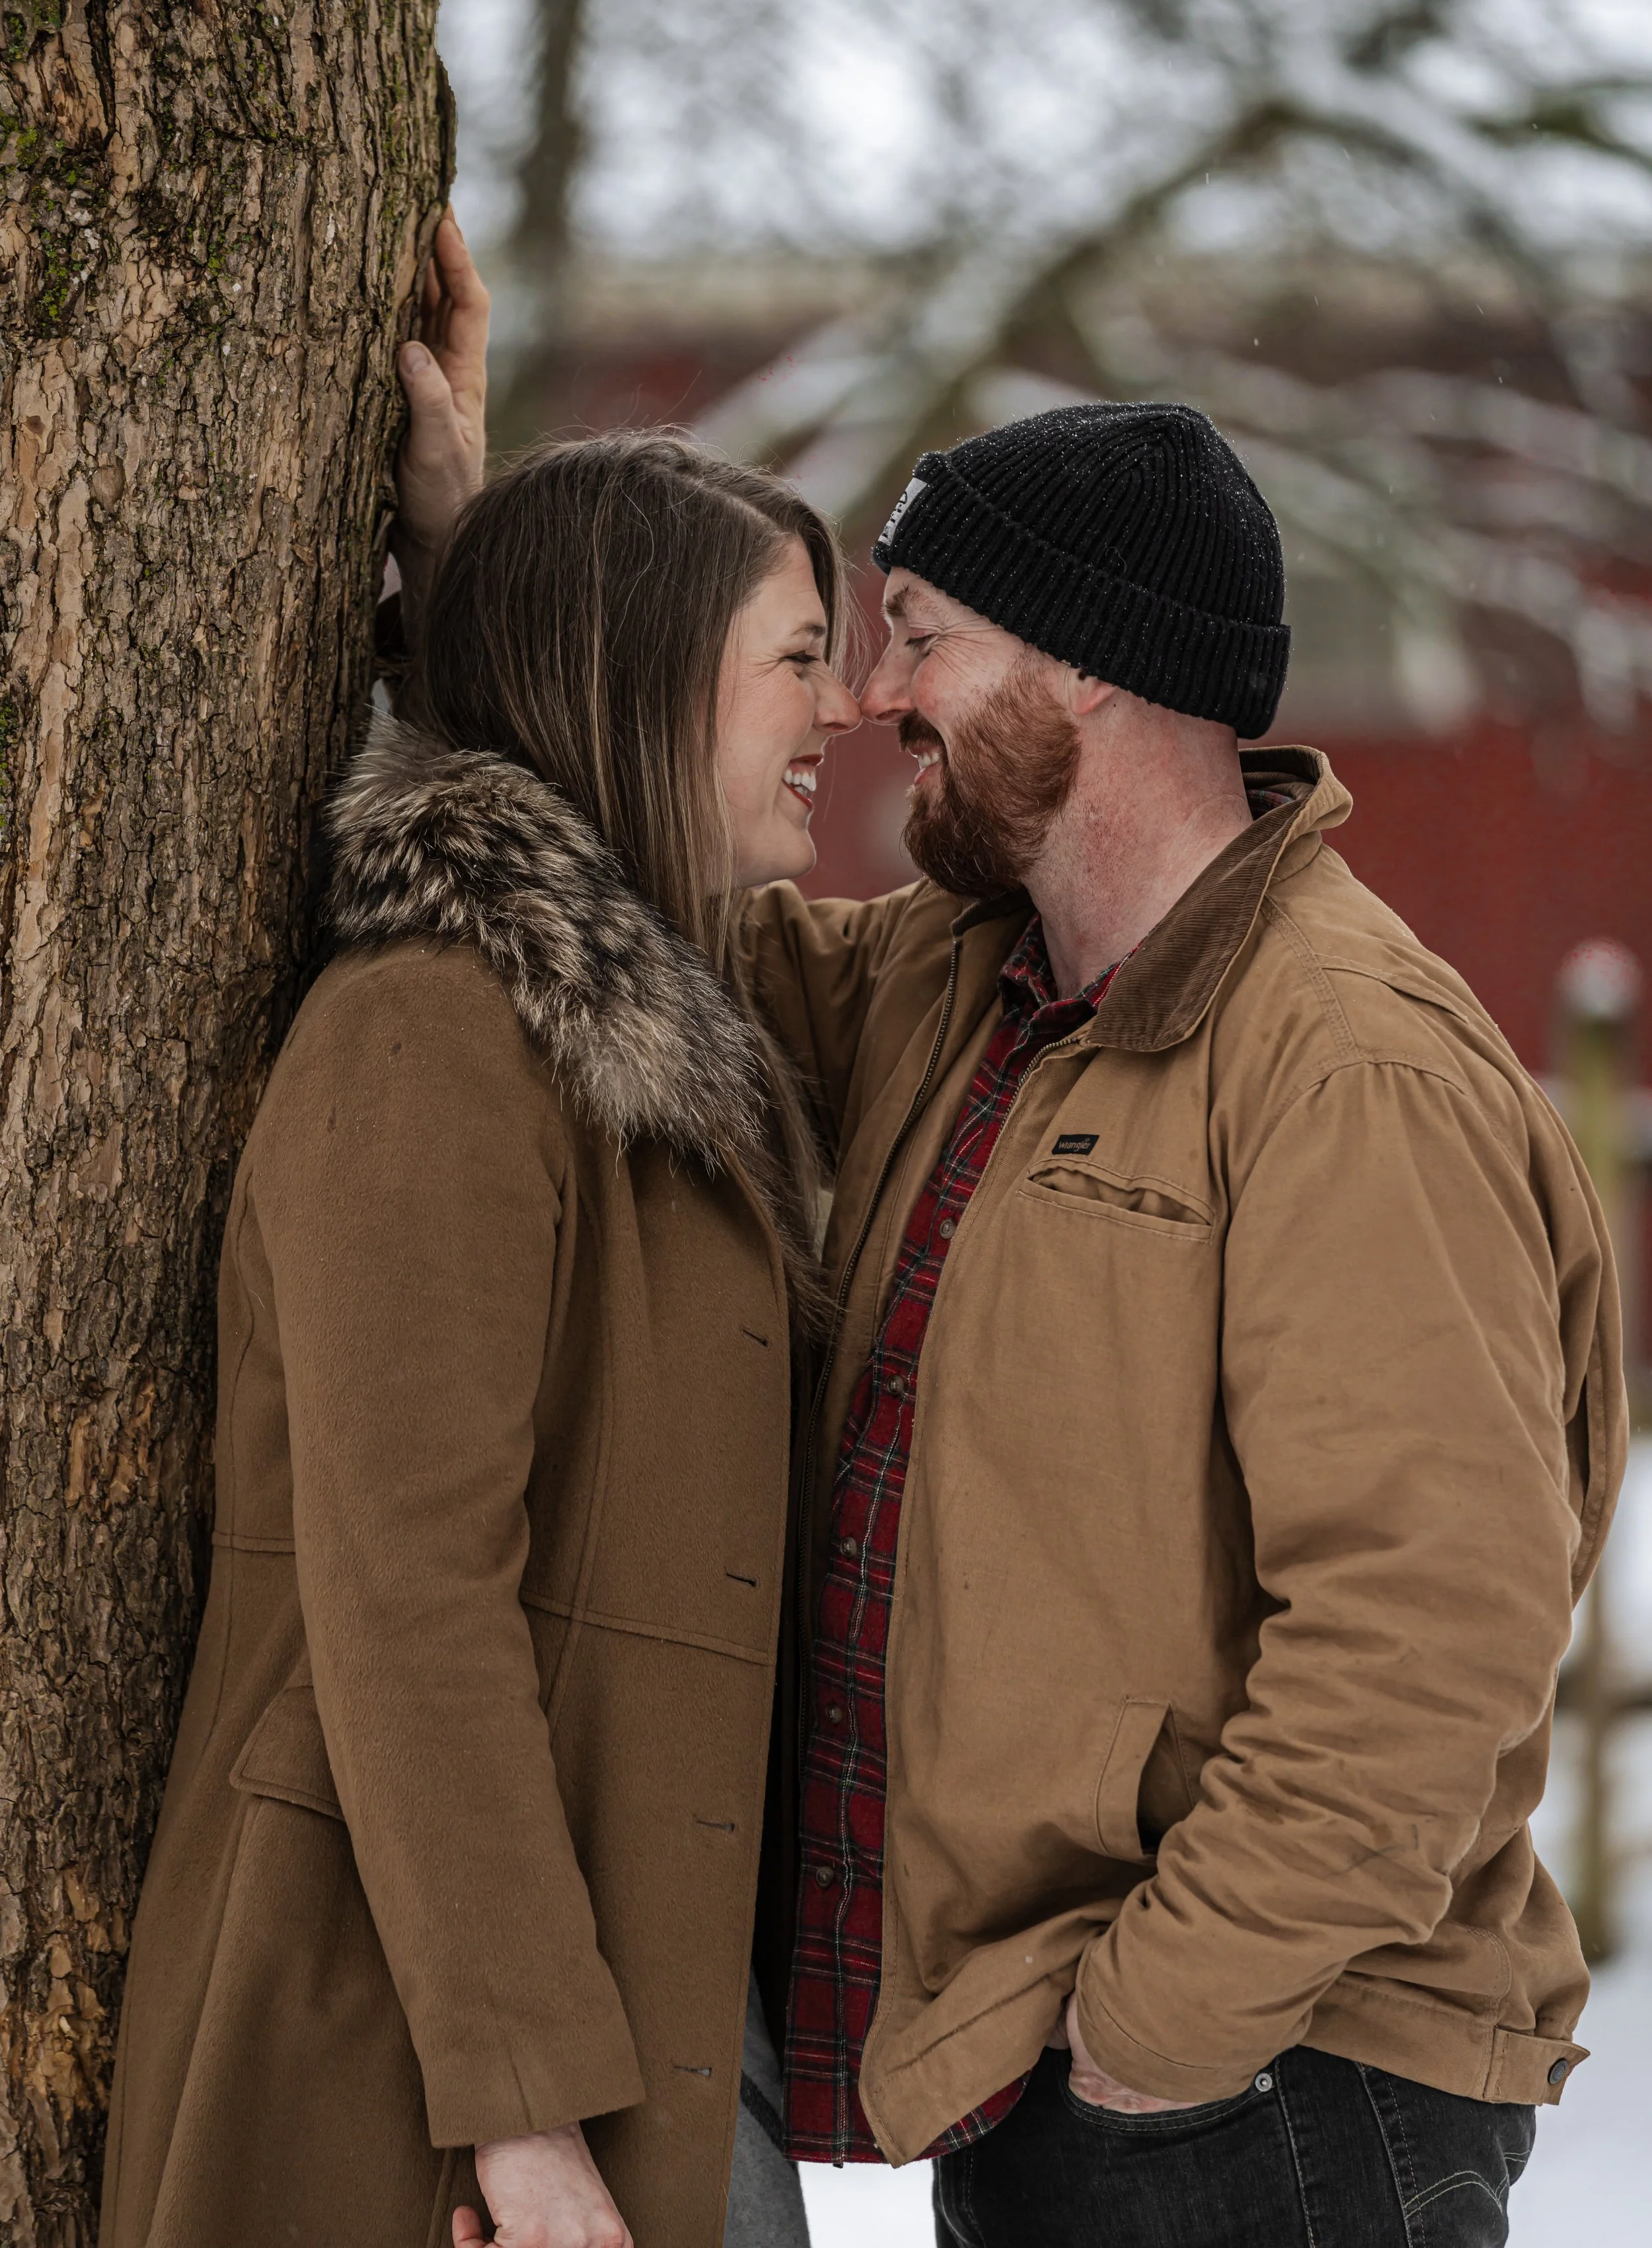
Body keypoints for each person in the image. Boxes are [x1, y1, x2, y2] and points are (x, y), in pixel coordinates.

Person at [737, 400, 1628, 2247]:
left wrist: (1158, 2031)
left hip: (1273, 2092)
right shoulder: (966, 982)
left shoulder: (1345, 1066)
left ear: (1081, 670)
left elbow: (1425, 1625)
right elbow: (669, 928)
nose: (872, 692)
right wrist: (463, 554)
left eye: (919, 631)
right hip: (1089, 2079)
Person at [100, 387, 860, 2243]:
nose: (839, 711)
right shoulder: (433, 1040)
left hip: (656, 2012)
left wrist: (469, 545)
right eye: (798, 658)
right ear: (653, 673)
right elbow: (406, 1601)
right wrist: (522, 2124)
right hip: (414, 2057)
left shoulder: (686, 1030)